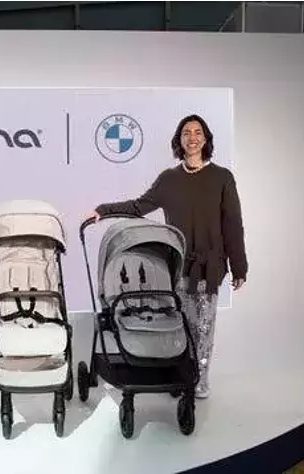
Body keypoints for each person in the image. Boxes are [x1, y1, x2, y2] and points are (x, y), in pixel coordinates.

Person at [88, 114, 248, 399]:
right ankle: (180, 375)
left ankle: (198, 379)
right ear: (179, 140)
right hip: (177, 265)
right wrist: (103, 210)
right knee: (179, 323)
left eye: (198, 132)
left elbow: (233, 223)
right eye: (186, 133)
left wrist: (239, 266)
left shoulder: (222, 177)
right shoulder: (169, 179)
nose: (192, 137)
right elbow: (139, 206)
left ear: (206, 139)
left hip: (208, 266)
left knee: (203, 327)